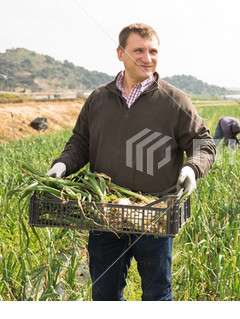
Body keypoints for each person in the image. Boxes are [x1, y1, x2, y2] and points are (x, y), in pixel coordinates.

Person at [46, 23, 216, 300]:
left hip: (154, 214)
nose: (147, 58)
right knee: (104, 294)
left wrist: (191, 168)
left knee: (157, 294)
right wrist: (62, 165)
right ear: (120, 53)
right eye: (139, 50)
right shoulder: (99, 98)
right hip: (105, 213)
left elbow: (203, 144)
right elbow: (80, 142)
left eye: (153, 51)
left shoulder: (175, 100)